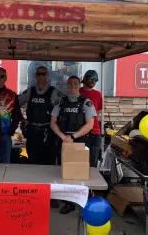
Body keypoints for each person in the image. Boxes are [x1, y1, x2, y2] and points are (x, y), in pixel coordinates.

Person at [51, 76, 97, 214]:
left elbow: (90, 124)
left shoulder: (86, 102)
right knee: (66, 172)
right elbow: (53, 122)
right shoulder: (61, 102)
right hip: (64, 140)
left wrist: (72, 137)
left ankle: (85, 204)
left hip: (80, 141)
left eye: (75, 84)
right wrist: (63, 137)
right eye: (70, 84)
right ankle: (68, 202)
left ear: (79, 85)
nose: (72, 86)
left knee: (81, 172)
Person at [19, 66, 63, 165]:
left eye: (43, 74)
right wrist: (22, 119)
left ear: (47, 75)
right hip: (32, 131)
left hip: (48, 131)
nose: (41, 76)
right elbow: (14, 105)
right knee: (33, 161)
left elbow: (62, 108)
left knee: (49, 161)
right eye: (38, 74)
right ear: (35, 76)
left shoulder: (54, 92)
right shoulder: (30, 91)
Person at [0, 67, 21, 163]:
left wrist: (11, 131)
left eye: (2, 76)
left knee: (5, 164)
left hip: (5, 134)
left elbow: (16, 114)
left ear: (6, 78)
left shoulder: (12, 94)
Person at [80, 70, 103, 167]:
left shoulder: (98, 94)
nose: (93, 81)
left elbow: (98, 112)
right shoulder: (78, 92)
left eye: (96, 79)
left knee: (93, 160)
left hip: (95, 131)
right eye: (91, 78)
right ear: (85, 79)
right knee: (79, 160)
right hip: (80, 131)